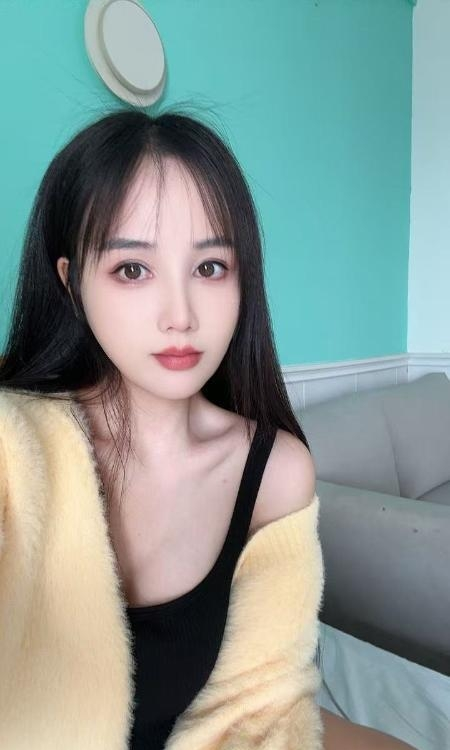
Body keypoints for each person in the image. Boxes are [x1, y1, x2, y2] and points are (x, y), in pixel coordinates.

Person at [0, 110, 416, 750]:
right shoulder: (13, 452)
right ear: (71, 284)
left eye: (210, 267)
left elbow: (262, 707)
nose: (181, 315)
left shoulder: (274, 472)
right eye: (132, 269)